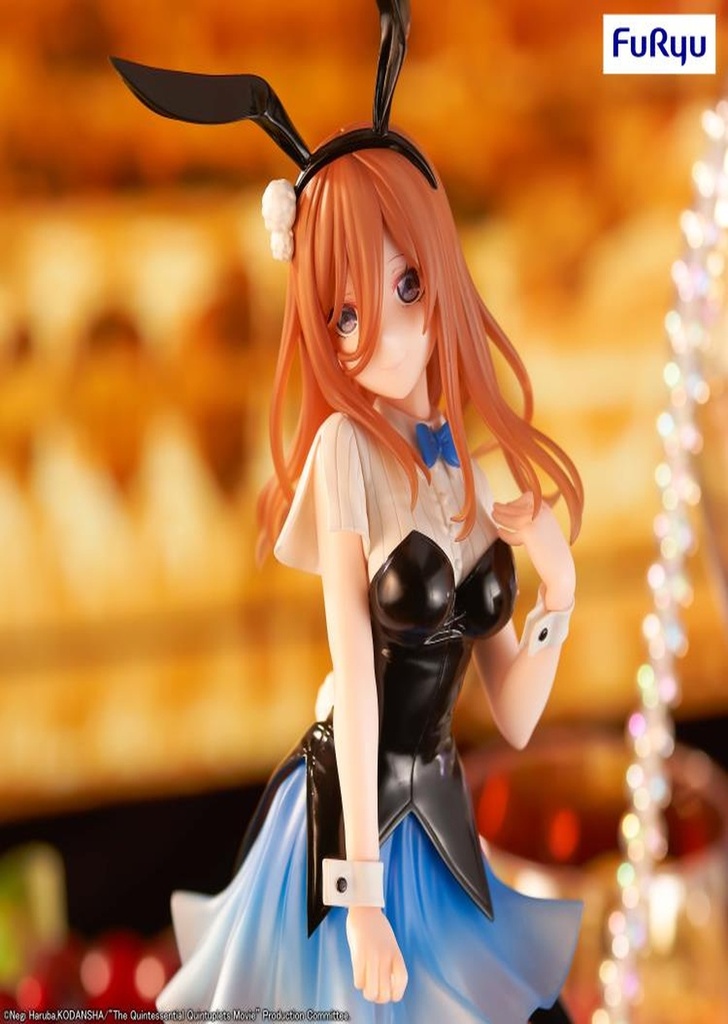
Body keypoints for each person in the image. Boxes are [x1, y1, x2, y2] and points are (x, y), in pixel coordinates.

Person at [113, 5, 584, 1018]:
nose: (383, 336)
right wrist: (360, 897)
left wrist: (559, 586)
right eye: (346, 314)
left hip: (438, 804)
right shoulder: (343, 453)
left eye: (407, 284)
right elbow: (358, 680)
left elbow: (512, 713)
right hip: (347, 814)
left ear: (439, 266)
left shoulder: (464, 465)